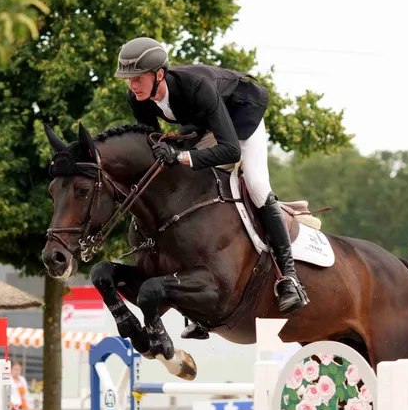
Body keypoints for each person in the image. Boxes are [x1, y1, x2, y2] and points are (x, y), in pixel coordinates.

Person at [113, 37, 309, 338]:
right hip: (203, 124)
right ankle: (192, 300)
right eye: (128, 79)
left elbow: (231, 150)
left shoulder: (196, 88)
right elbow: (152, 144)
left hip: (241, 119)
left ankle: (289, 278)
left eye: (138, 78)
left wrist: (181, 156)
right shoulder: (137, 98)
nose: (132, 85)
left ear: (159, 74)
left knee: (256, 185)